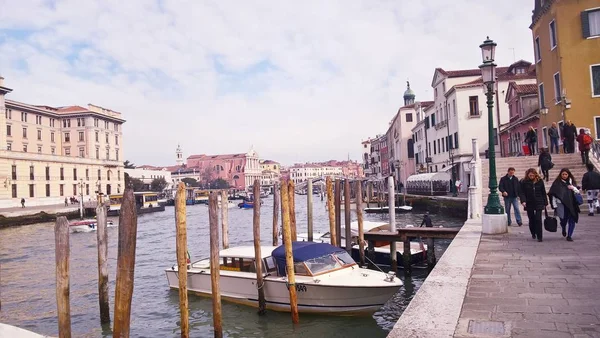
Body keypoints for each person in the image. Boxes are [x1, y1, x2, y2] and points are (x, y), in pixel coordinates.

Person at [548, 168, 580, 241]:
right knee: (563, 220)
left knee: (572, 220)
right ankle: (563, 228)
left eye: (566, 174)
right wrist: (554, 205)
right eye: (563, 174)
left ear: (568, 174)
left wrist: (573, 188)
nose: (564, 176)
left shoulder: (572, 182)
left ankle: (569, 235)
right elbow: (553, 194)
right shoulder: (557, 183)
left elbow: (577, 192)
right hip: (561, 205)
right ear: (560, 175)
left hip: (572, 205)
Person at [519, 168, 548, 241]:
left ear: (535, 174)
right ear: (528, 174)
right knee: (531, 219)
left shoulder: (540, 181)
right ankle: (533, 232)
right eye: (530, 174)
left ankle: (540, 236)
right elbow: (521, 193)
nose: (531, 175)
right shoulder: (524, 182)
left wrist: (545, 202)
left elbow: (543, 192)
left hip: (539, 201)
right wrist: (523, 201)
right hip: (529, 202)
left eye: (533, 174)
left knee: (538, 219)